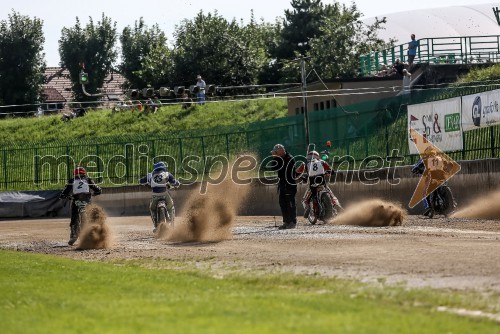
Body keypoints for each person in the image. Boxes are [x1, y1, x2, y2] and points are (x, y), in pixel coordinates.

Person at [59, 166, 102, 245]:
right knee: (92, 215)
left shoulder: (72, 180)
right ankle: (94, 232)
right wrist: (97, 191)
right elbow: (97, 189)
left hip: (76, 200)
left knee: (74, 215)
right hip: (87, 201)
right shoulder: (88, 179)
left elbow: (66, 191)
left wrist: (63, 195)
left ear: (74, 174)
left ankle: (74, 234)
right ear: (84, 173)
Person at [295, 150, 340, 218]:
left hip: (312, 181)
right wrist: (328, 173)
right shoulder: (322, 162)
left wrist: (299, 176)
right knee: (329, 191)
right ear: (317, 156)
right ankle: (336, 203)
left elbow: (297, 172)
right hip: (322, 181)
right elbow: (332, 171)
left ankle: (307, 206)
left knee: (309, 194)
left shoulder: (305, 163)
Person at [139, 161, 180, 232]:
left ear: (155, 169)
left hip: (155, 196)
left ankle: (156, 225)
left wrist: (141, 181)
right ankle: (172, 226)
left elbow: (141, 181)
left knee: (152, 209)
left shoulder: (150, 175)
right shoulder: (167, 174)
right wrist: (177, 183)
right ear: (163, 168)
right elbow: (173, 182)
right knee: (171, 207)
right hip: (165, 194)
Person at [270, 144, 297, 229]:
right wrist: (275, 158)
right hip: (282, 184)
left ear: (281, 151)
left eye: (276, 152)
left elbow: (284, 168)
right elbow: (273, 168)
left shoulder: (289, 158)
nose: (275, 154)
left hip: (290, 184)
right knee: (282, 203)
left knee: (290, 203)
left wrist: (277, 158)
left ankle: (292, 222)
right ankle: (286, 221)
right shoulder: (279, 159)